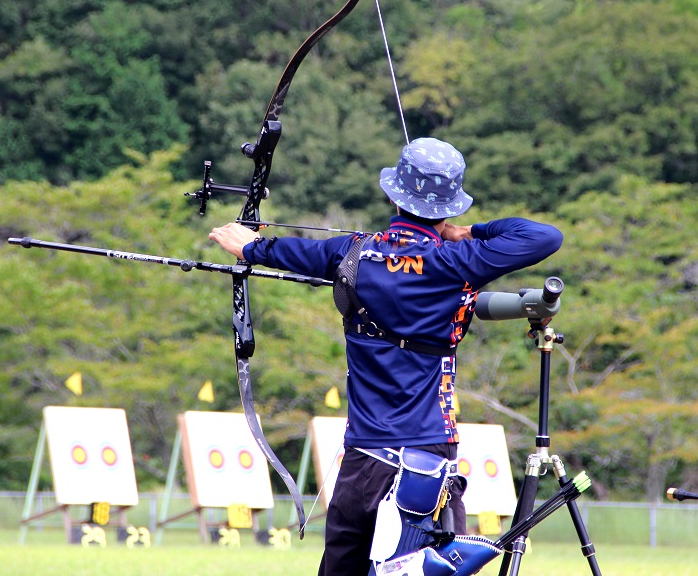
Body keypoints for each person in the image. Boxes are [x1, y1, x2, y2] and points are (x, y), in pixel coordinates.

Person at [209, 137, 562, 575]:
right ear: (450, 206)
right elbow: (545, 236)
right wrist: (468, 231)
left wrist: (249, 244)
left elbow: (281, 251)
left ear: (393, 194)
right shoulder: (458, 261)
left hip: (364, 459)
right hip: (429, 458)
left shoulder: (351, 253)